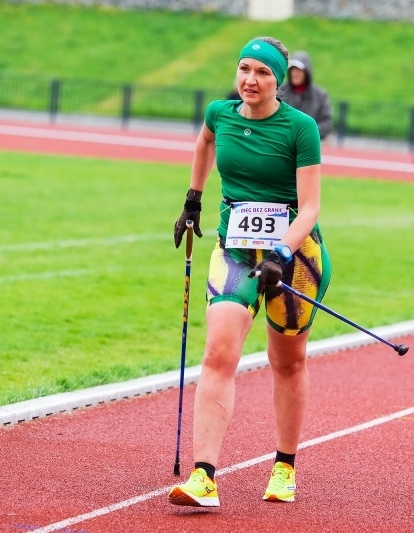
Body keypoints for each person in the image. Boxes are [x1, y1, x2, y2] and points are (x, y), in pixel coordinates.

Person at [169, 36, 332, 508]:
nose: (250, 80)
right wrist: (193, 199)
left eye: (262, 72)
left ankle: (284, 466)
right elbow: (203, 142)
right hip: (235, 250)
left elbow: (311, 207)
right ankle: (204, 477)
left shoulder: (300, 128)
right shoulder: (219, 114)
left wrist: (280, 252)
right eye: (244, 69)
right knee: (218, 353)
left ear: (278, 81)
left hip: (294, 257)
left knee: (287, 361)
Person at [279, 51, 333, 142]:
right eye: (293, 70)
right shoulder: (280, 92)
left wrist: (306, 134)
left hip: (308, 146)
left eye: (299, 70)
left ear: (307, 72)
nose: (295, 73)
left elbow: (326, 124)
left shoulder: (320, 96)